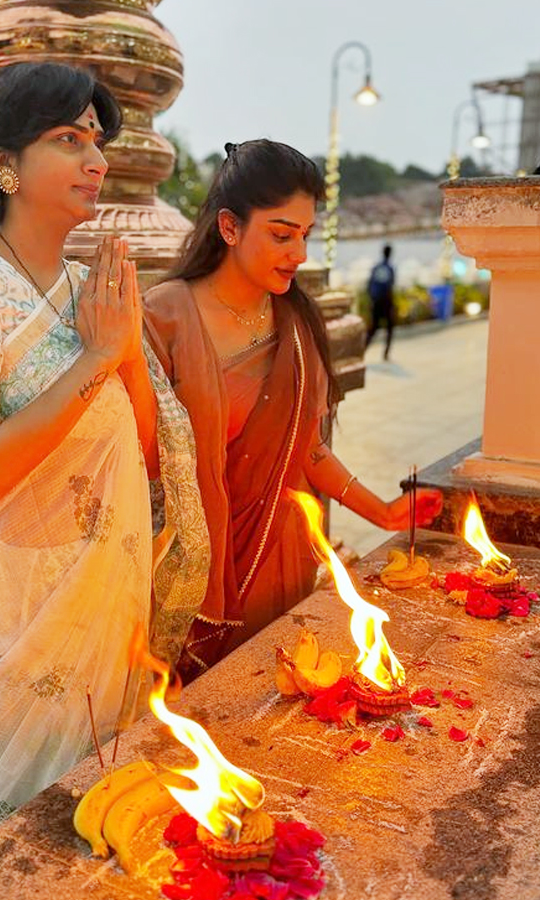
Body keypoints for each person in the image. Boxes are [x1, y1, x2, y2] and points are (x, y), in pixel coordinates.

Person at [0, 62, 208, 846]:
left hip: (103, 599)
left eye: (98, 140)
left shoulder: (89, 287)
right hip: (11, 618)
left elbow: (140, 450)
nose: (97, 161)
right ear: (4, 163)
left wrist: (125, 349)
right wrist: (96, 358)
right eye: (69, 139)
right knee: (24, 845)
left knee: (100, 827)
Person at [144, 140, 442, 676]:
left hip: (279, 558)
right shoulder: (165, 315)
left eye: (304, 235)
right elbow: (137, 461)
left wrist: (384, 513)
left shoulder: (297, 325)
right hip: (187, 570)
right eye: (281, 235)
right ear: (230, 228)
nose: (299, 254)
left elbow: (307, 449)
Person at [365, 244, 396, 360]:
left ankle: (363, 350)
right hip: (386, 302)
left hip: (376, 301)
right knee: (389, 329)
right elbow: (390, 286)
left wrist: (371, 300)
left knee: (373, 329)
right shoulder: (390, 268)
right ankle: (386, 353)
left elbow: (369, 284)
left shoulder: (376, 267)